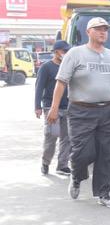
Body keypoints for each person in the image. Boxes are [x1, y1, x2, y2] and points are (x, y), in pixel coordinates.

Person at [47, 17, 110, 209]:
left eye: (105, 30)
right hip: (82, 112)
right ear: (88, 32)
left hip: (109, 111)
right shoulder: (75, 54)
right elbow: (61, 82)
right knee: (82, 153)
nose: (103, 32)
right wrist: (54, 107)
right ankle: (76, 176)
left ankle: (104, 194)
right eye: (98, 29)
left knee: (106, 154)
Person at [34, 40, 71, 176]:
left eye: (68, 51)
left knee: (67, 138)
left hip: (68, 107)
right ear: (56, 52)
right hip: (51, 107)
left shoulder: (69, 67)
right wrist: (37, 106)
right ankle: (46, 162)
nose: (66, 54)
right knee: (52, 135)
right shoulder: (46, 67)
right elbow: (39, 88)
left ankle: (62, 165)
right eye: (64, 51)